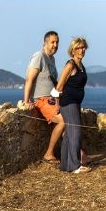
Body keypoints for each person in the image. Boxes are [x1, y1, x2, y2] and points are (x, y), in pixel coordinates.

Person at [20, 31, 65, 164]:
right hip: (42, 100)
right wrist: (26, 100)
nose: (55, 45)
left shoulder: (52, 59)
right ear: (45, 43)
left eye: (57, 42)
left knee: (71, 119)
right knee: (63, 121)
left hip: (52, 100)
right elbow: (29, 79)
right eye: (52, 42)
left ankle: (74, 154)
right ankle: (49, 154)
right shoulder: (39, 56)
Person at [55, 37, 91, 173]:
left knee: (70, 134)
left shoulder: (81, 66)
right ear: (73, 50)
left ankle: (65, 165)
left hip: (75, 102)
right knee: (75, 132)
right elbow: (59, 86)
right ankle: (75, 166)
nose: (81, 50)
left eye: (83, 48)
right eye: (78, 48)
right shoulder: (70, 65)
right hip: (68, 102)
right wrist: (58, 104)